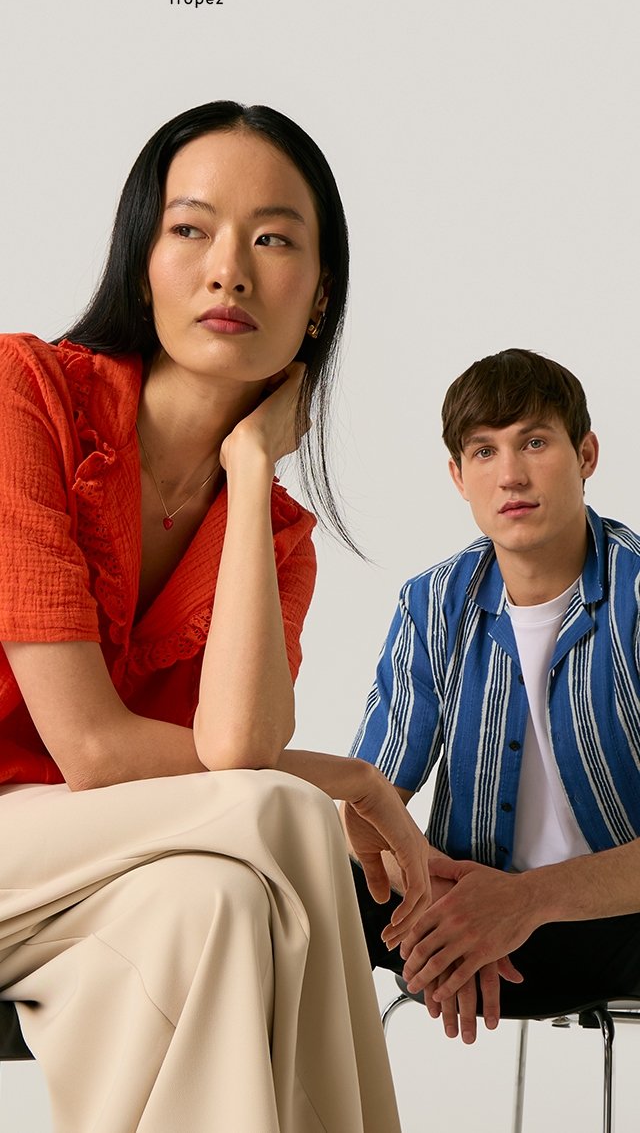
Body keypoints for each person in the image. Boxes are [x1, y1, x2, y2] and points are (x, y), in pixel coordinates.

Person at [0, 100, 430, 1133]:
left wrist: (246, 471)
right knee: (283, 816)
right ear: (140, 262)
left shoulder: (274, 538)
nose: (227, 268)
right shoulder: (25, 397)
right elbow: (97, 750)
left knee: (223, 907)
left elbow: (232, 748)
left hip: (80, 890)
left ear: (317, 300)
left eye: (271, 238)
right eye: (189, 229)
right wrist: (349, 775)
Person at [349, 347, 640, 1046]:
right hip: (451, 925)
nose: (509, 475)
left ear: (586, 453)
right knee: (284, 879)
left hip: (612, 928)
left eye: (534, 442)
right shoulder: (432, 603)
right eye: (483, 452)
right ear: (458, 475)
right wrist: (442, 903)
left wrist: (521, 904)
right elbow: (363, 805)